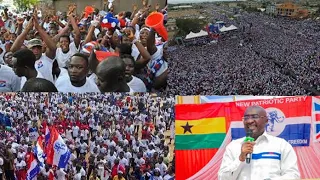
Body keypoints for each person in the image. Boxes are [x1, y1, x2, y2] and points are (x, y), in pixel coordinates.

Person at [218, 106, 300, 180]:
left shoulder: (281, 145)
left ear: (266, 120)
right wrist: (240, 158)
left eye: (255, 117)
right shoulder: (233, 146)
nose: (249, 121)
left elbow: (293, 175)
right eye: (246, 118)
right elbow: (222, 178)